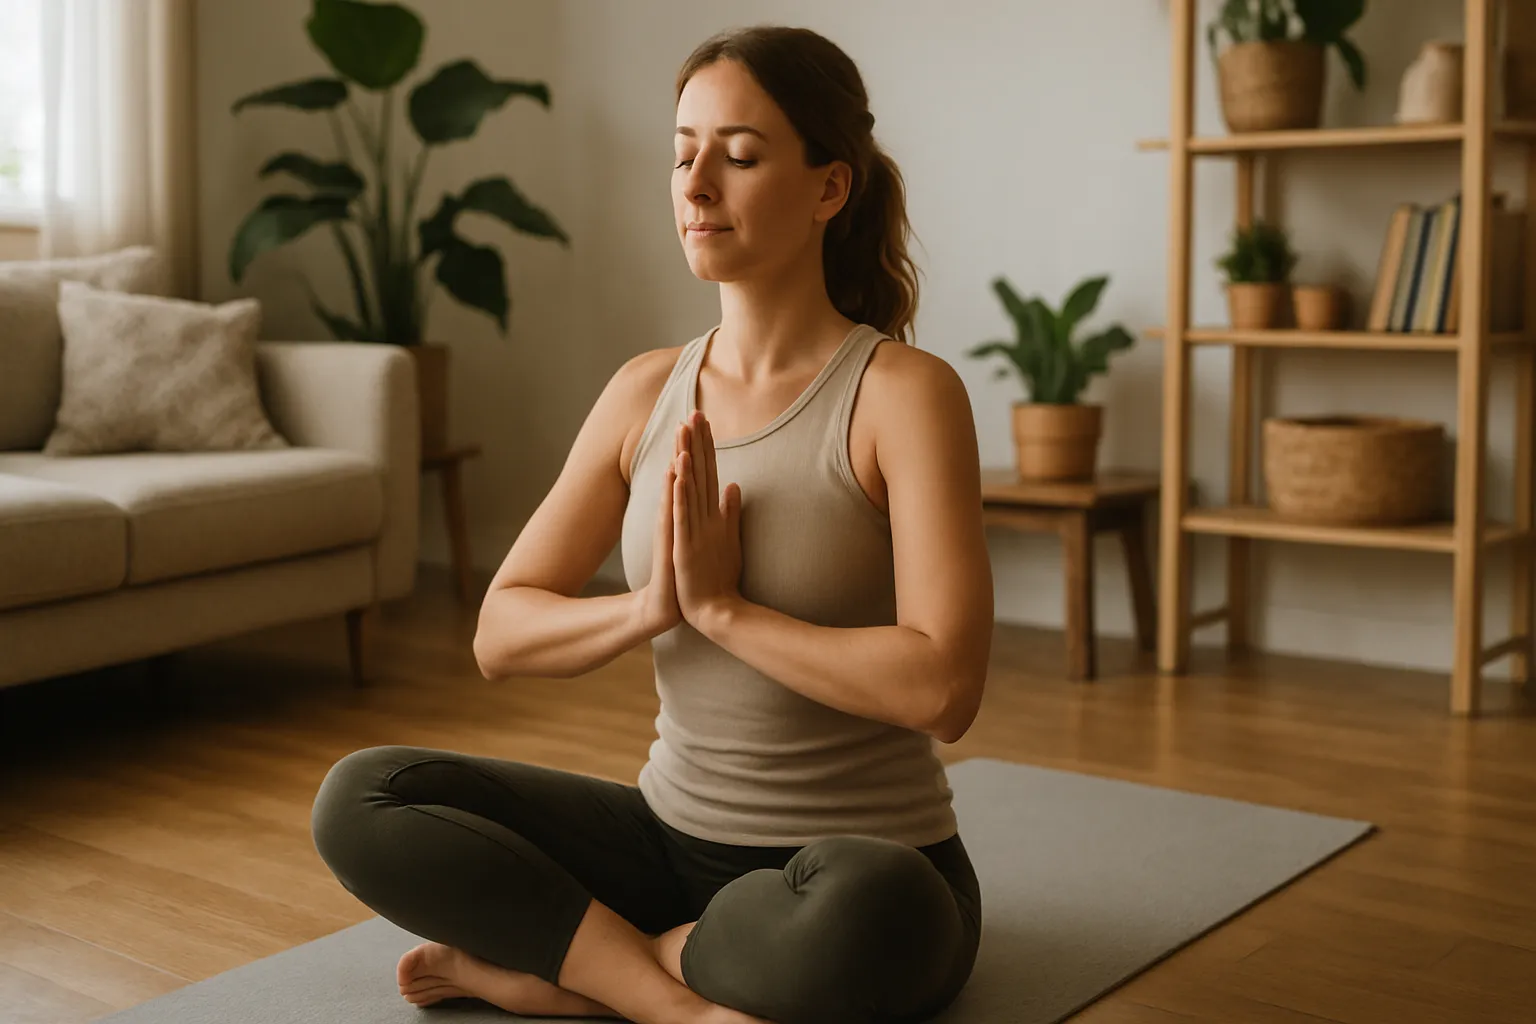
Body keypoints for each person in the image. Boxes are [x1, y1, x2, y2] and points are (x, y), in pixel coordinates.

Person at [309, 24, 994, 1024]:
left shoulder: (902, 395)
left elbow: (945, 687)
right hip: (667, 842)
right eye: (683, 154)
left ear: (829, 188)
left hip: (858, 863)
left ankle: (578, 973)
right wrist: (649, 610)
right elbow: (501, 631)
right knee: (363, 797)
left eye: (741, 155)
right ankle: (671, 995)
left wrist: (723, 613)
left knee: (876, 913)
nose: (698, 182)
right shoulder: (643, 392)